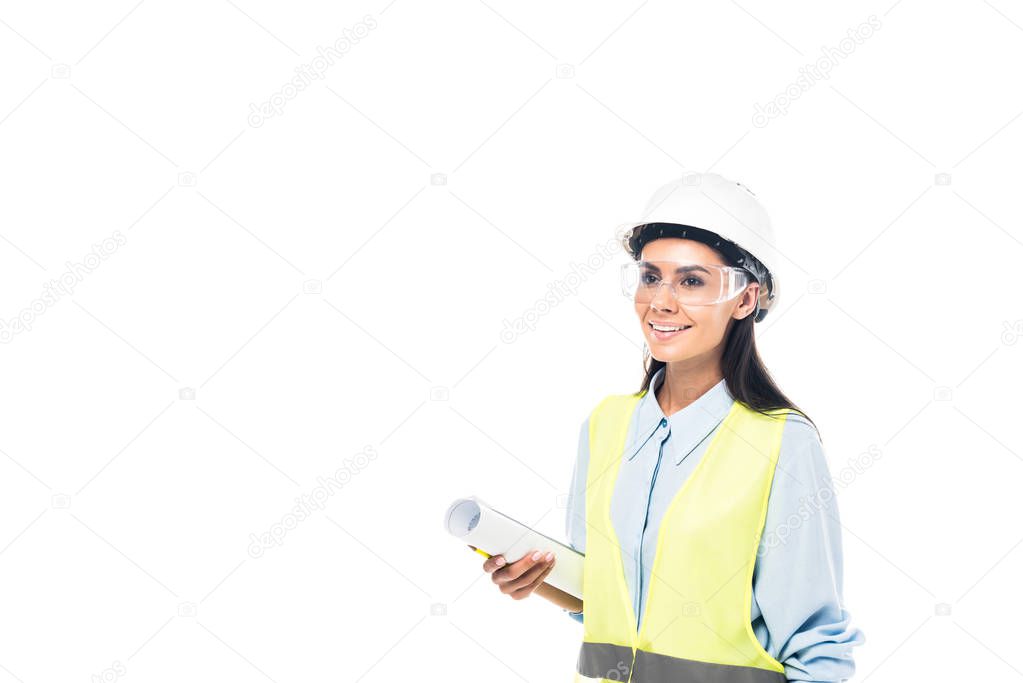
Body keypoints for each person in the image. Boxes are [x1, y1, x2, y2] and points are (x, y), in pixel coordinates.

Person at [476, 173, 864, 682]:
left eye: (692, 281)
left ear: (746, 300)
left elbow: (817, 646)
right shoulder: (606, 425)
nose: (661, 301)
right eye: (650, 276)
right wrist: (536, 580)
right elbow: (605, 598)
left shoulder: (781, 442)